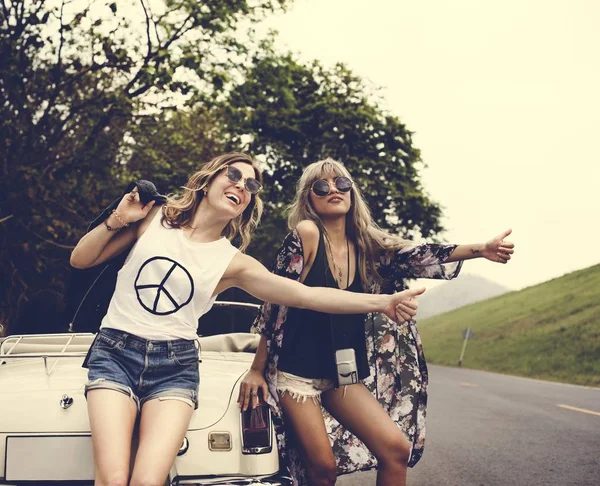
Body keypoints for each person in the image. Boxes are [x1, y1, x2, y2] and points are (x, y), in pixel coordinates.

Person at [69, 153, 425, 486]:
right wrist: (119, 218)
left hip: (174, 366)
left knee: (148, 481)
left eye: (251, 185)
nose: (241, 185)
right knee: (113, 479)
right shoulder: (153, 217)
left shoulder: (234, 262)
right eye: (233, 175)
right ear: (208, 181)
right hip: (115, 352)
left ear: (248, 204)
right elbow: (81, 260)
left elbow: (308, 296)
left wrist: (383, 302)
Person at [238, 158, 515, 486]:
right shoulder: (307, 233)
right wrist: (257, 368)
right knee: (323, 469)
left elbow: (418, 255)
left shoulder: (366, 244)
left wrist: (480, 249)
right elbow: (275, 301)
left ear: (352, 193)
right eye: (321, 187)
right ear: (309, 199)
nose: (333, 190)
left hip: (341, 373)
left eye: (341, 184)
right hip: (294, 374)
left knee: (396, 450)